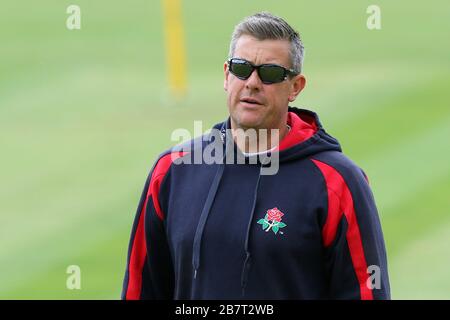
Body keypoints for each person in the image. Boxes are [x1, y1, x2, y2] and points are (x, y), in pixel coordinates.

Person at [121, 12, 390, 300]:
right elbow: (142, 289)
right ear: (226, 75)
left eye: (270, 73)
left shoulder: (338, 182)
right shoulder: (174, 171)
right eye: (241, 68)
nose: (251, 83)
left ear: (295, 87)